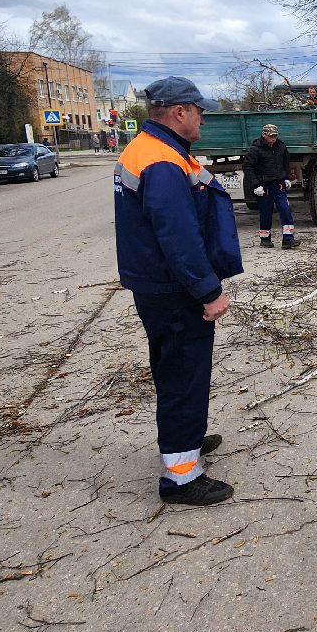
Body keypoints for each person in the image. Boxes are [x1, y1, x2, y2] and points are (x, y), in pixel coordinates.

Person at [114, 76, 243, 506]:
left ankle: (184, 439)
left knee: (176, 370)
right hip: (174, 289)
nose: (203, 118)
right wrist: (208, 291)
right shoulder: (163, 162)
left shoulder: (154, 150)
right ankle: (182, 477)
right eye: (199, 110)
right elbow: (178, 236)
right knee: (183, 375)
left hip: (160, 285)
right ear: (179, 112)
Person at [244, 122, 298, 249]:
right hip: (264, 188)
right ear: (264, 136)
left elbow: (285, 163)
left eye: (275, 136)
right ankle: (265, 239)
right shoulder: (255, 149)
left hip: (279, 186)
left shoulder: (281, 146)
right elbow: (247, 167)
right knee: (265, 213)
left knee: (285, 210)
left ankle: (288, 239)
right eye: (271, 136)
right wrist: (255, 185)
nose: (273, 139)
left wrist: (286, 178)